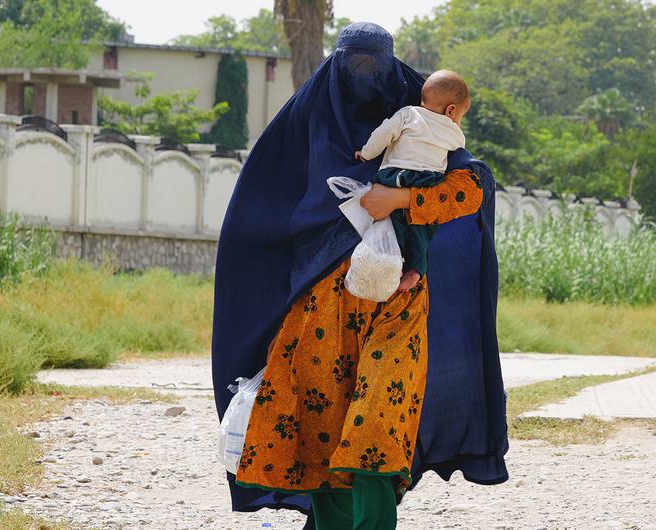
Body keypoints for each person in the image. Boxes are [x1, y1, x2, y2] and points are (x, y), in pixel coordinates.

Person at [211, 22, 508, 530]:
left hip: (399, 302)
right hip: (322, 304)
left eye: (374, 65)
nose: (363, 78)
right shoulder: (307, 124)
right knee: (322, 429)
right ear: (336, 66)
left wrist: (402, 199)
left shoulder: (420, 121)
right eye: (353, 65)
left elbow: (470, 190)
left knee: (378, 424)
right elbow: (264, 215)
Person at [353, 70, 471, 292]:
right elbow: (459, 158)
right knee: (423, 230)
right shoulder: (455, 133)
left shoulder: (408, 114)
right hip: (427, 181)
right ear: (451, 110)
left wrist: (366, 153)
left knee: (392, 224)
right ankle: (415, 270)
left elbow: (383, 133)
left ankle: (385, 263)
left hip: (395, 177)